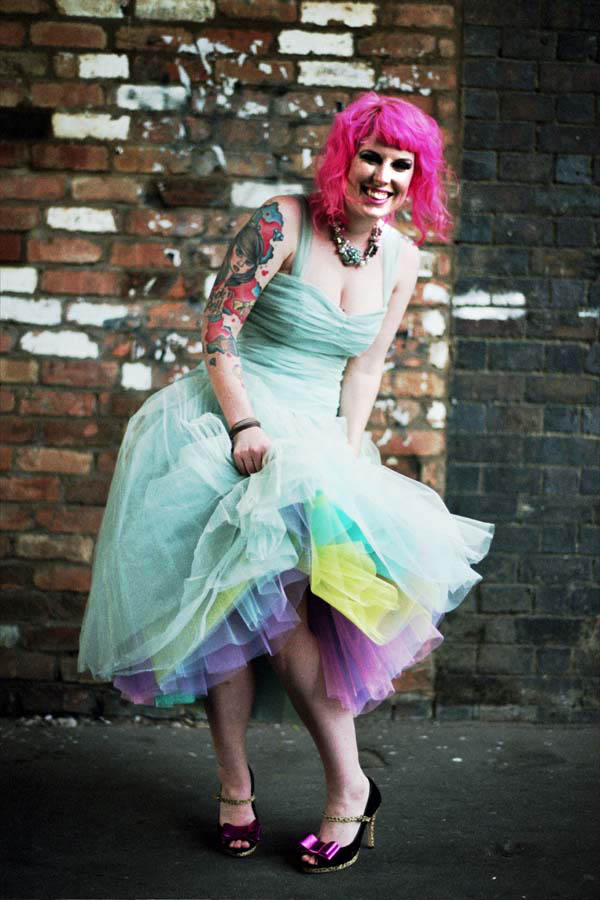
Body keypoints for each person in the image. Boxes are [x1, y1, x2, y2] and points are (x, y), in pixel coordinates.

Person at [78, 91, 494, 873]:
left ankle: (351, 786)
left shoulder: (403, 259)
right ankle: (238, 785)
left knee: (284, 613)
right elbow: (219, 330)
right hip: (227, 423)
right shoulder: (284, 222)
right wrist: (244, 426)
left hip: (312, 441)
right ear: (346, 158)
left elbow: (364, 368)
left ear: (417, 178)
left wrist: (343, 457)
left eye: (401, 165)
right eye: (371, 157)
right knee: (229, 612)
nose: (383, 176)